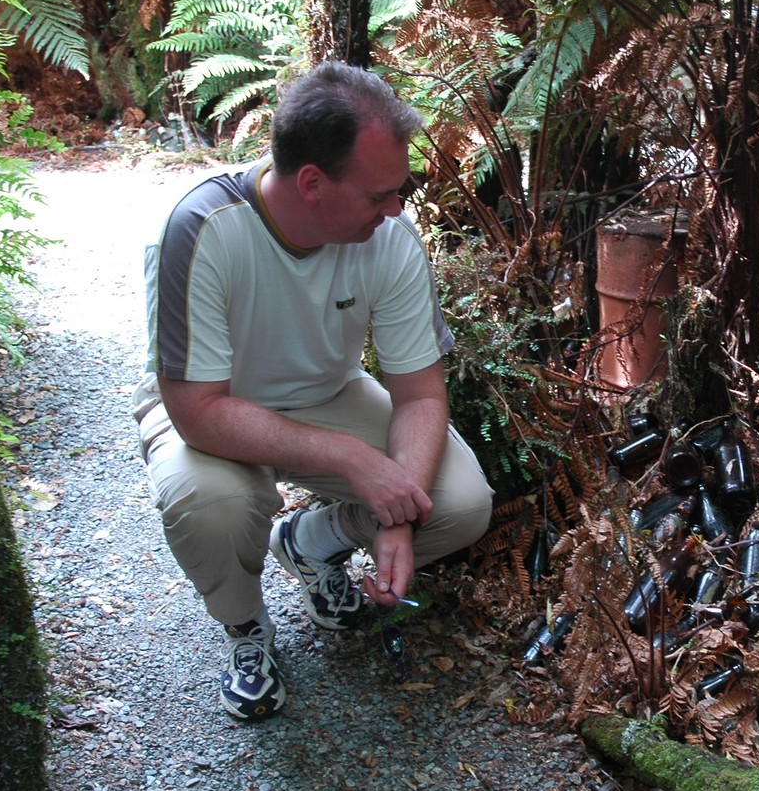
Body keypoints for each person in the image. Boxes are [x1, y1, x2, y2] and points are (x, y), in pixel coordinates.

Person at [131, 61, 493, 720]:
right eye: (381, 194)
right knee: (206, 503)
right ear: (312, 184)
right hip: (212, 411)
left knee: (459, 502)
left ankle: (313, 541)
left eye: (401, 189)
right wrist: (355, 461)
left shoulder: (388, 240)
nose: (397, 209)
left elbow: (420, 395)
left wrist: (399, 517)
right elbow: (197, 411)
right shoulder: (204, 229)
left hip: (325, 394)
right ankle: (246, 628)